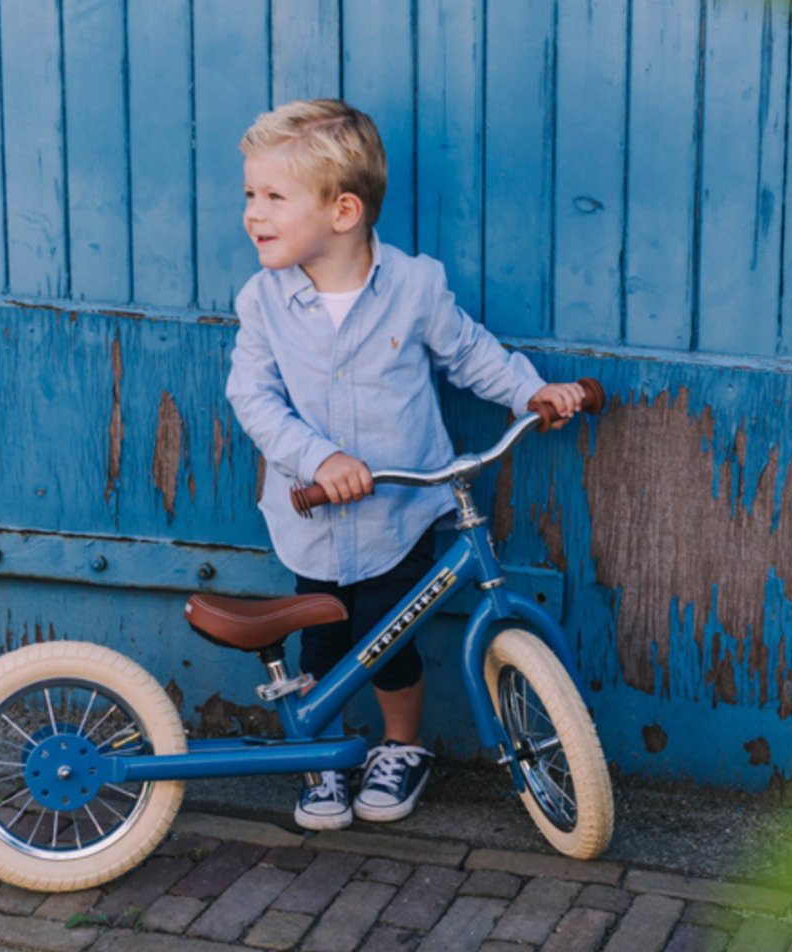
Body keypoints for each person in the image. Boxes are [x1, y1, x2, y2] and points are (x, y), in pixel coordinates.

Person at [226, 99, 586, 830]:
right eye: (250, 196)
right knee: (325, 636)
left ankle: (401, 747)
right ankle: (318, 755)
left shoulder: (414, 288)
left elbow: (469, 353)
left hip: (399, 508)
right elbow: (252, 397)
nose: (253, 214)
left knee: (390, 636)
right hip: (314, 512)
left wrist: (531, 391)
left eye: (272, 197)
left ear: (343, 210)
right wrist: (317, 456)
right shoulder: (265, 300)